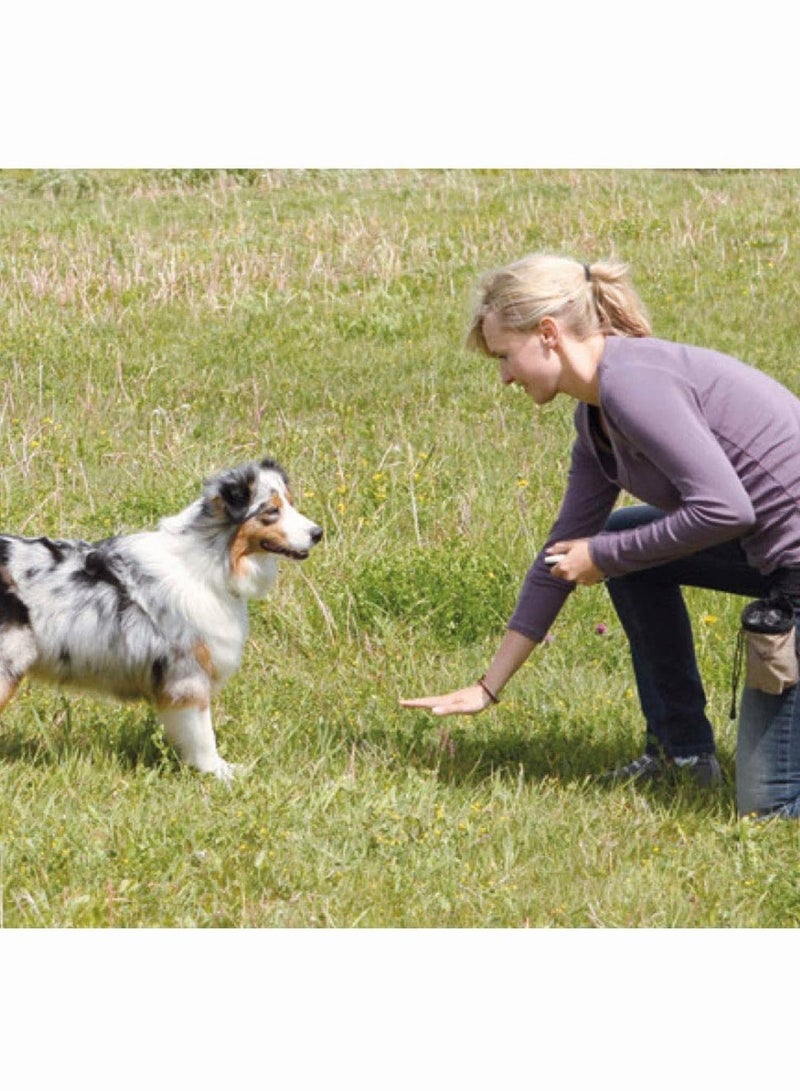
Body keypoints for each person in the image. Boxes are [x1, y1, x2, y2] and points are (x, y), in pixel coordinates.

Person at [400, 253, 800, 818]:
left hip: (792, 569)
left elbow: (725, 508)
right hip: (772, 552)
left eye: (505, 356)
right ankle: (681, 755)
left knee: (770, 811)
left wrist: (605, 556)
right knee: (618, 542)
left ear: (547, 335)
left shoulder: (634, 384)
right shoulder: (596, 417)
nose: (504, 376)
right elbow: (563, 549)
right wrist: (488, 686)